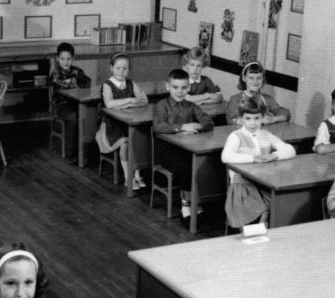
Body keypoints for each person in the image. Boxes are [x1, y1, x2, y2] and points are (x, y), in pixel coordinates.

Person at [220, 96, 297, 228]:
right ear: (240, 118)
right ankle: (258, 227)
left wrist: (274, 155)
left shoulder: (265, 135)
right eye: (248, 118)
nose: (253, 123)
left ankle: (264, 228)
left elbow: (290, 150)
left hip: (263, 183)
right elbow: (225, 156)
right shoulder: (236, 136)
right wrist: (253, 158)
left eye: (257, 118)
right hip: (242, 186)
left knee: (282, 202)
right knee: (261, 209)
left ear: (263, 117)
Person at [153, 68, 215, 218]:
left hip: (187, 148)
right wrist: (181, 127)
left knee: (202, 164)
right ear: (168, 87)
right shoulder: (162, 105)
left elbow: (209, 122)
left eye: (184, 88)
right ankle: (186, 204)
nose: (180, 92)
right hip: (166, 151)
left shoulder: (191, 106)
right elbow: (158, 126)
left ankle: (197, 199)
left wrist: (196, 126)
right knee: (186, 168)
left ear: (189, 88)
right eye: (175, 87)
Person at [95, 52, 149, 190]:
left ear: (128, 70)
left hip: (129, 122)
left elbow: (144, 100)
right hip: (111, 126)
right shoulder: (108, 85)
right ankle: (128, 177)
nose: (121, 71)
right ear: (111, 68)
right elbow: (109, 104)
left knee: (140, 138)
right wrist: (131, 100)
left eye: (125, 68)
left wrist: (125, 105)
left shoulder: (131, 83)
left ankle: (137, 174)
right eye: (118, 68)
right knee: (126, 143)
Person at [48, 42, 91, 160]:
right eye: (62, 59)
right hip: (61, 106)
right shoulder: (55, 73)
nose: (65, 62)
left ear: (73, 58)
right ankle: (72, 150)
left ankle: (87, 148)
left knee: (88, 113)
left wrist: (73, 82)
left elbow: (87, 82)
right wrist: (75, 83)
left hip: (76, 103)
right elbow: (61, 84)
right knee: (73, 117)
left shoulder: (77, 71)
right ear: (57, 58)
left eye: (68, 59)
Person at [225, 61, 290, 125]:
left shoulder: (268, 99)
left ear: (263, 79)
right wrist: (258, 121)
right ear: (244, 78)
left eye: (259, 78)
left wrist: (273, 119)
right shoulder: (235, 99)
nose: (255, 81)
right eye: (251, 78)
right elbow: (231, 119)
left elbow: (285, 113)